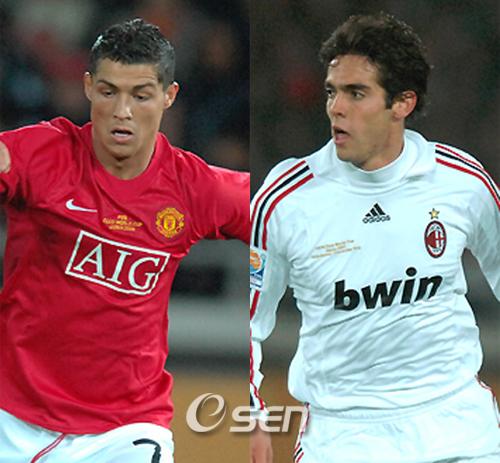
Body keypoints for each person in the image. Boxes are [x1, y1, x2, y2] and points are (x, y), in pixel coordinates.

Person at [250, 12, 499, 463]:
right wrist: (253, 412)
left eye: (356, 93)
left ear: (402, 103)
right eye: (332, 91)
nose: (336, 107)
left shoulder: (462, 182)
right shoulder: (286, 201)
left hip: (459, 429)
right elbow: (250, 321)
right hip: (345, 437)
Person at [0, 18, 249, 462]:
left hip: (124, 431)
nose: (123, 111)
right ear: (88, 87)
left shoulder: (194, 187)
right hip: (12, 417)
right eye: (109, 91)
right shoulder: (43, 155)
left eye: (141, 95)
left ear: (169, 96)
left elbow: (288, 213)